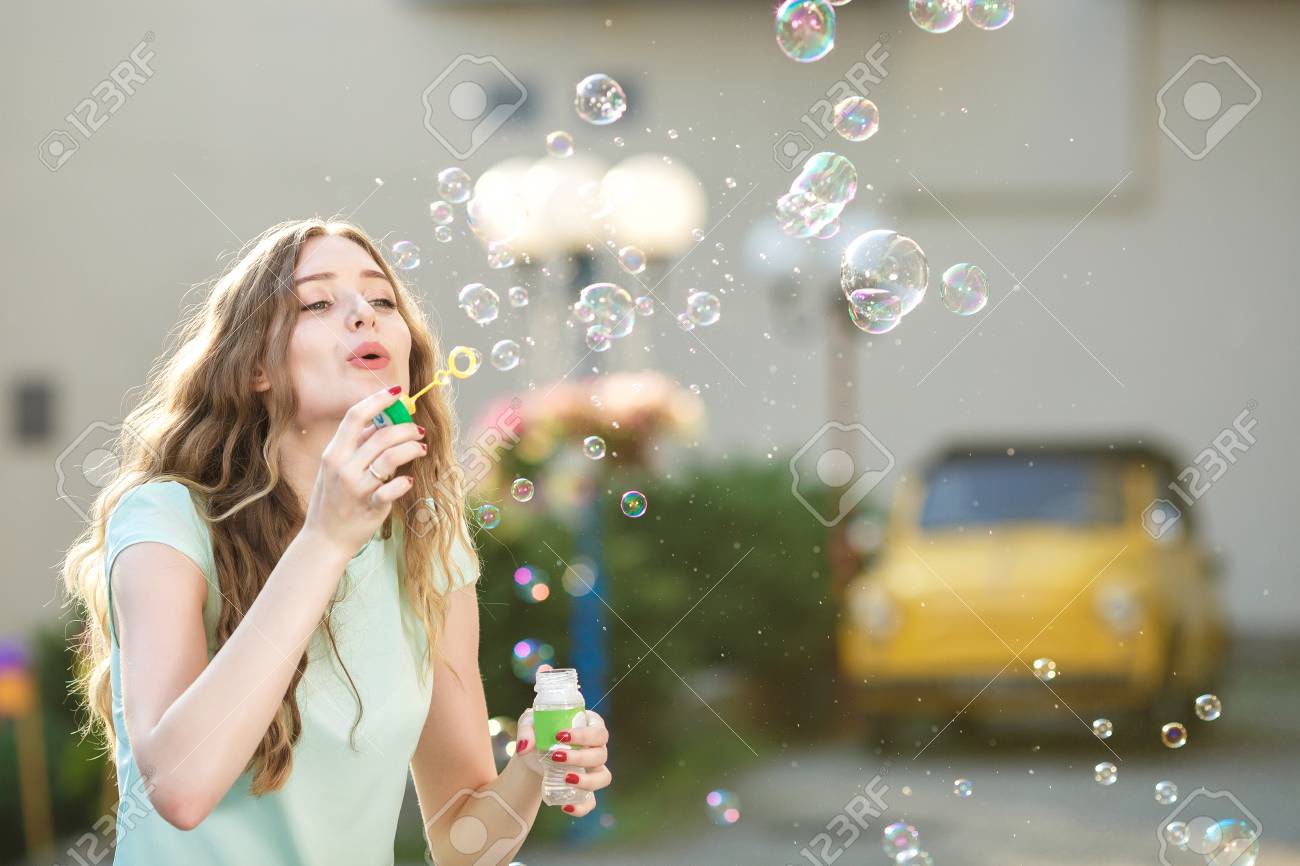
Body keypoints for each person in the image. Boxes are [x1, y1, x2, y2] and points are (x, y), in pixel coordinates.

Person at [61, 218, 612, 864]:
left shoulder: (426, 543)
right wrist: (326, 539)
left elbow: (463, 841)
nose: (364, 315)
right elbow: (180, 788)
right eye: (318, 302)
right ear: (257, 368)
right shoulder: (166, 520)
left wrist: (532, 768)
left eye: (382, 300)